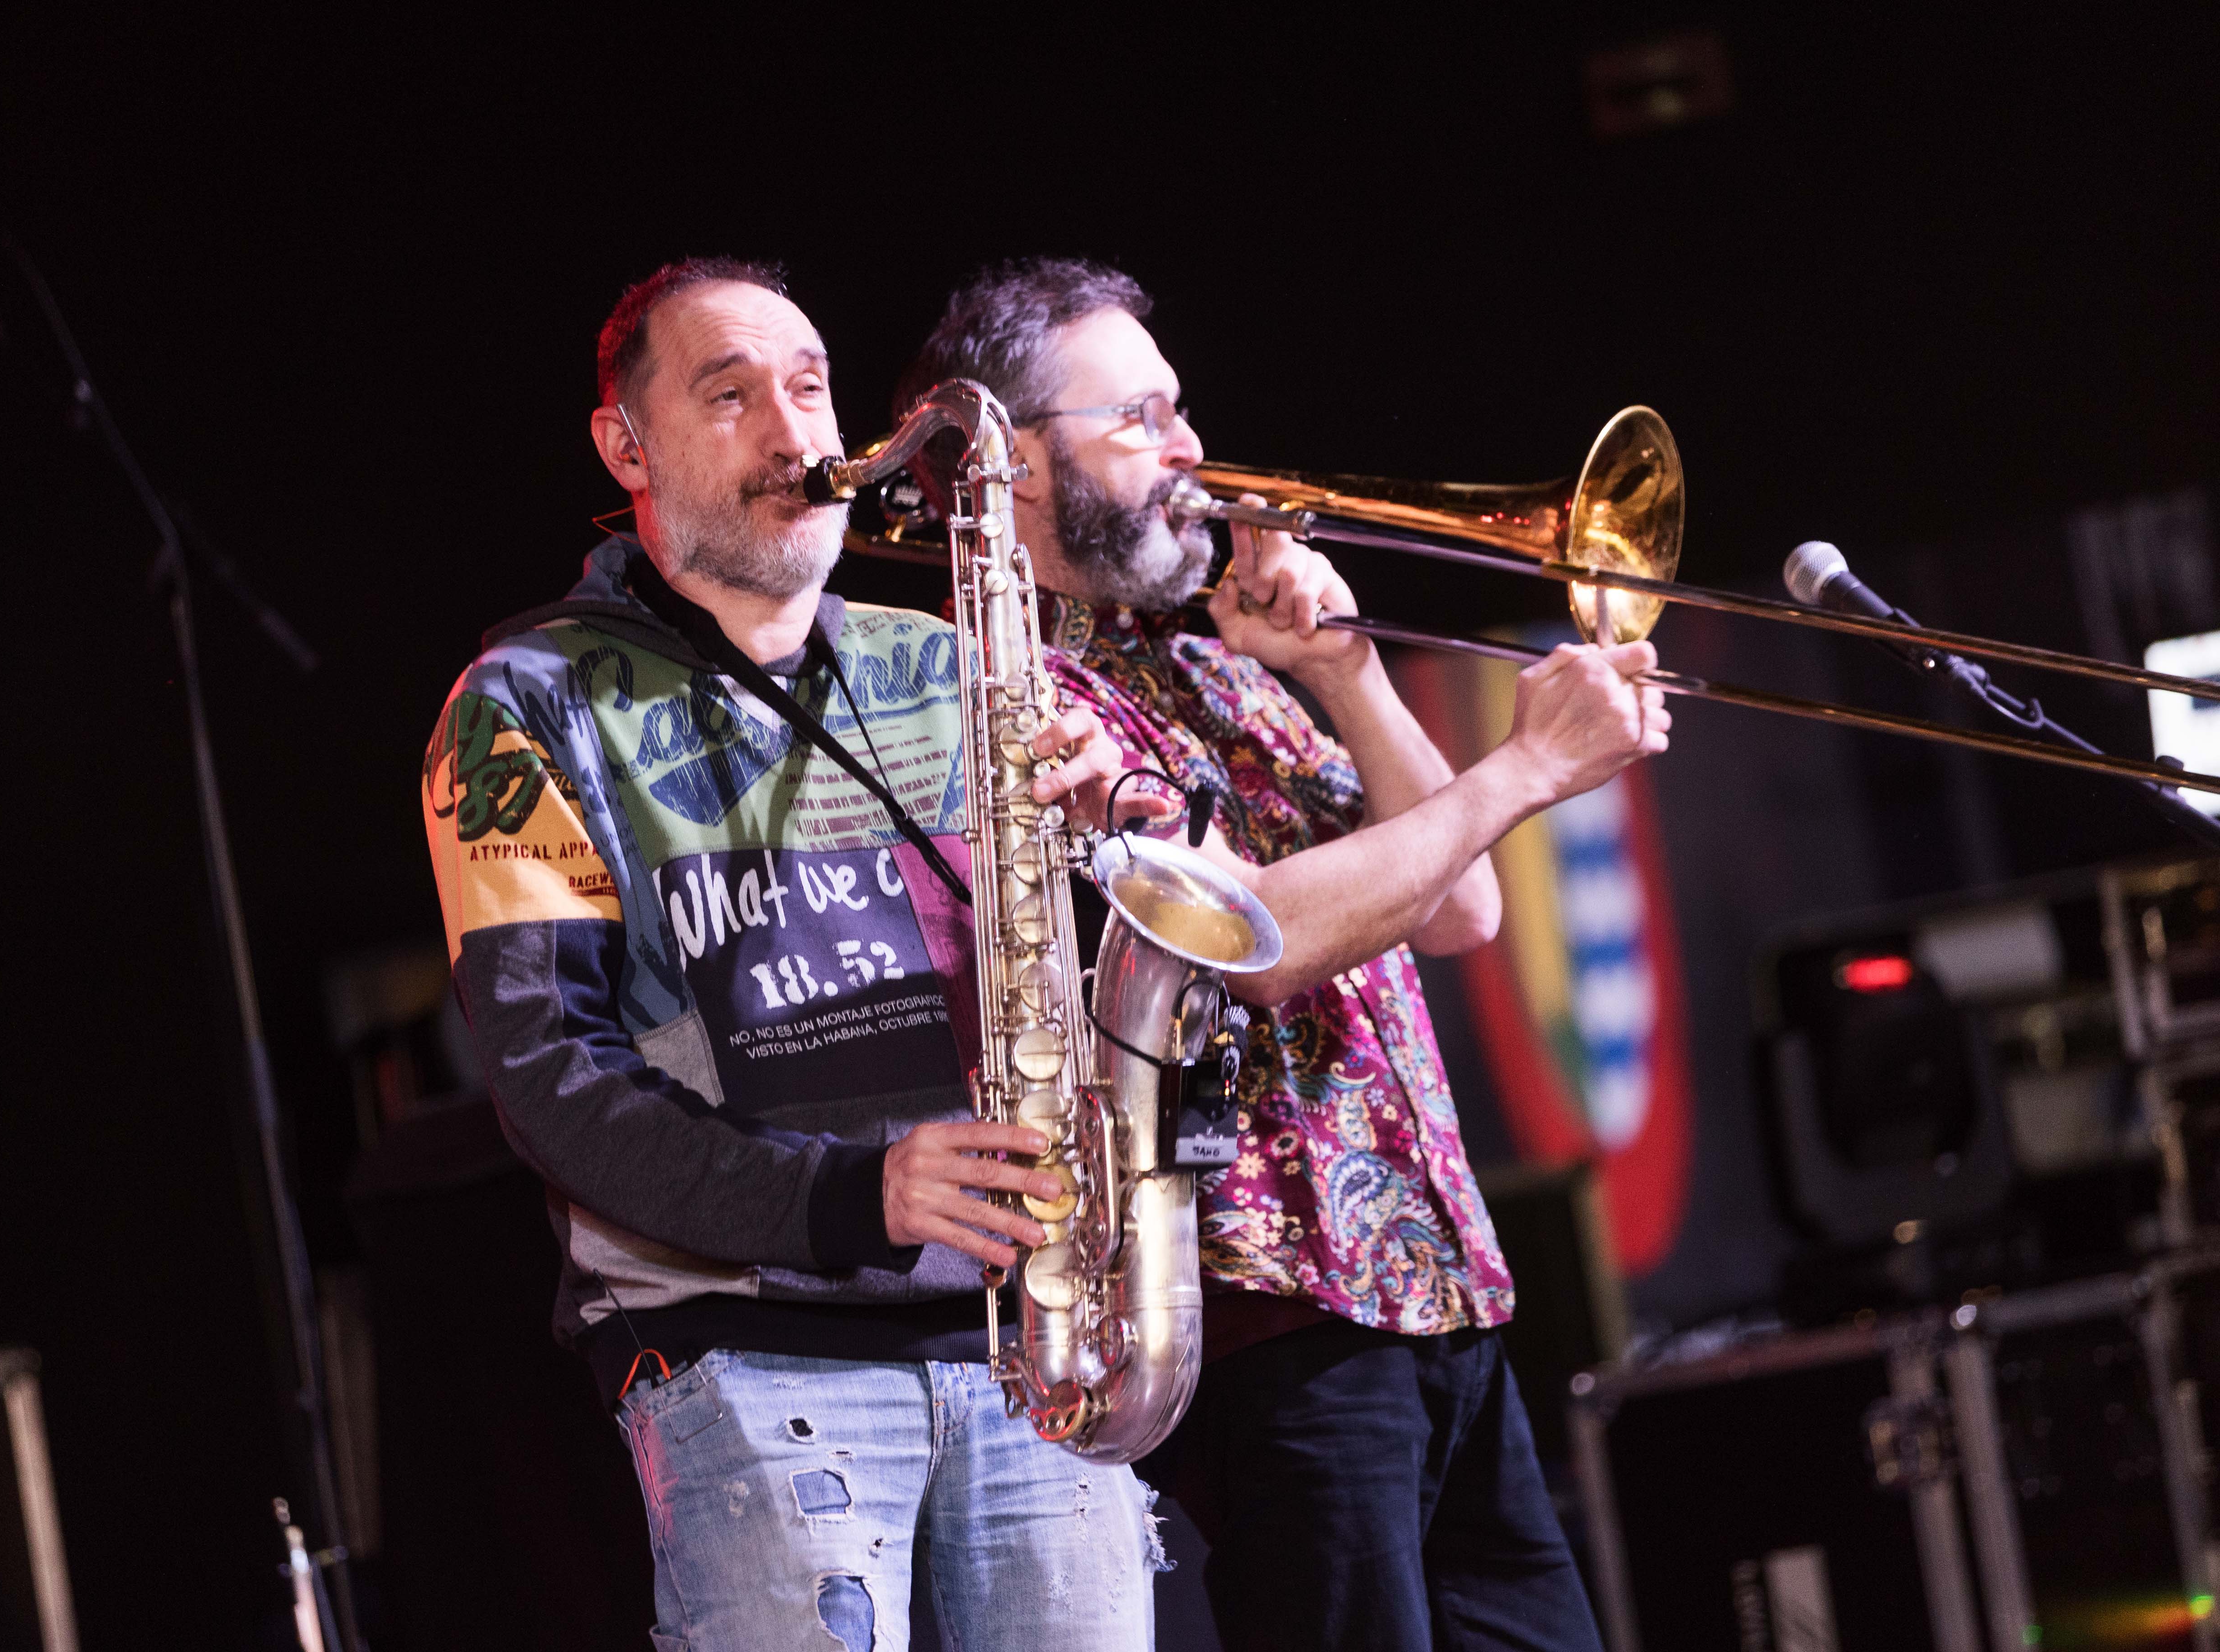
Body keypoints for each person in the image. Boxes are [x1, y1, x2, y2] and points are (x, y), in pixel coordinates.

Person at [899, 258, 1671, 1651]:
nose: (1193, 452)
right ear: (1013, 463)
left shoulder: (1215, 669)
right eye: (1140, 420)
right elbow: (1253, 944)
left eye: (1181, 409)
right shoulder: (1009, 697)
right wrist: (1527, 767)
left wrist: (1344, 673)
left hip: (1435, 1289)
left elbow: (1461, 914)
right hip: (1276, 1319)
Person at [421, 257, 1163, 1652]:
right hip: (751, 1366)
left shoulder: (948, 665)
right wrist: (850, 1197)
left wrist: (1120, 828)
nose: (793, 429)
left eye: (811, 388)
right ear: (625, 446)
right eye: (731, 393)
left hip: (1034, 1349)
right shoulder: (524, 704)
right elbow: (552, 1086)